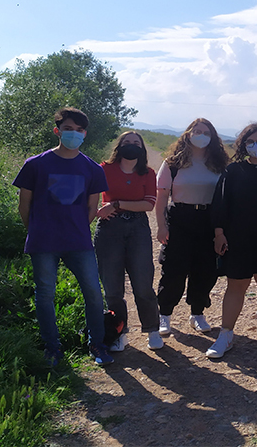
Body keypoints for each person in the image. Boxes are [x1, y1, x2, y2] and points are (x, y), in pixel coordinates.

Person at [12, 107, 113, 367]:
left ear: (85, 134)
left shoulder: (92, 169)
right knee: (45, 294)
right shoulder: (35, 164)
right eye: (68, 129)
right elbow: (24, 205)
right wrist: (34, 229)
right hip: (43, 241)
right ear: (57, 130)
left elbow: (93, 207)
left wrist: (76, 228)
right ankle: (52, 348)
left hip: (78, 242)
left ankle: (97, 344)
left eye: (79, 130)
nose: (74, 134)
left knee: (93, 293)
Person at [206, 123, 257, 358]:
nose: (256, 145)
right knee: (236, 285)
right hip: (238, 236)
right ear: (243, 145)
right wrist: (219, 233)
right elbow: (220, 203)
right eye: (250, 142)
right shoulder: (233, 171)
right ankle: (226, 335)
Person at [155, 118, 230, 336]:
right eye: (196, 131)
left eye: (206, 132)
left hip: (209, 220)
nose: (201, 135)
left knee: (205, 270)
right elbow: (161, 199)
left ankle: (197, 313)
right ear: (187, 134)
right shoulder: (173, 164)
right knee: (174, 270)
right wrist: (161, 226)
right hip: (180, 218)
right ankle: (165, 315)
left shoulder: (219, 165)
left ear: (213, 137)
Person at [94, 131, 163, 353]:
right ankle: (119, 332)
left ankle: (152, 329)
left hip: (138, 229)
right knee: (112, 287)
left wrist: (115, 205)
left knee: (143, 284)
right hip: (109, 229)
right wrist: (96, 211)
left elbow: (148, 205)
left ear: (142, 148)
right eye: (127, 142)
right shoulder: (104, 169)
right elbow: (92, 198)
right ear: (119, 146)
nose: (131, 146)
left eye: (136, 143)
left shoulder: (148, 173)